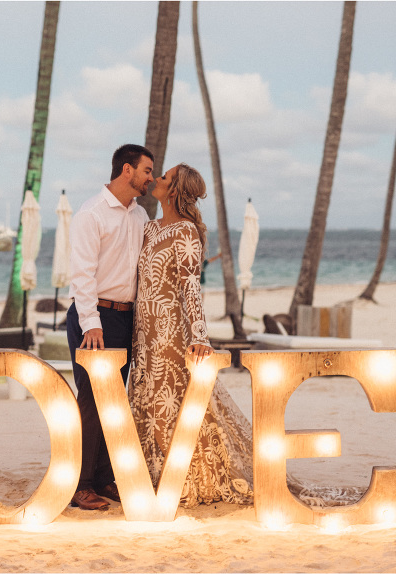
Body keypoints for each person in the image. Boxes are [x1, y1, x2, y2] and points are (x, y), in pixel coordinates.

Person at [129, 163, 255, 507]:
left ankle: (186, 477)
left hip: (170, 332)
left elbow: (190, 288)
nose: (156, 179)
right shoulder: (150, 228)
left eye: (164, 177)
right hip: (143, 333)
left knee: (172, 404)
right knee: (147, 402)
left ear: (175, 190)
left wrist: (200, 334)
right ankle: (155, 476)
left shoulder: (186, 232)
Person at [66, 144, 154, 511]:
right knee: (89, 400)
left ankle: (103, 478)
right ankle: (79, 484)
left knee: (113, 401)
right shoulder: (92, 213)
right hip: (94, 318)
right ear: (127, 170)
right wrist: (92, 324)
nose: (151, 177)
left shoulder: (140, 215)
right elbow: (82, 273)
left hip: (125, 317)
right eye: (147, 170)